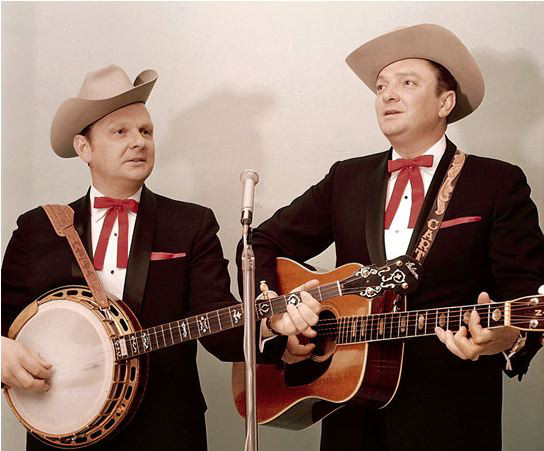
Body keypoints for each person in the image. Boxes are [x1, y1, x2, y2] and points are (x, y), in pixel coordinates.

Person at [238, 24, 544, 450]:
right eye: (381, 86)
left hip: (451, 417)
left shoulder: (496, 183)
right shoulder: (346, 178)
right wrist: (280, 313)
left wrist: (505, 338)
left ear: (445, 102)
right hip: (350, 416)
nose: (387, 94)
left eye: (407, 82)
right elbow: (256, 247)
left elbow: (528, 293)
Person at [1, 65, 319, 450]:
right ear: (84, 147)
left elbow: (217, 323)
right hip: (60, 436)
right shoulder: (38, 229)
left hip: (165, 430)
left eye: (146, 131)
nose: (139, 142)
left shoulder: (190, 224)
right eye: (120, 132)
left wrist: (269, 326)